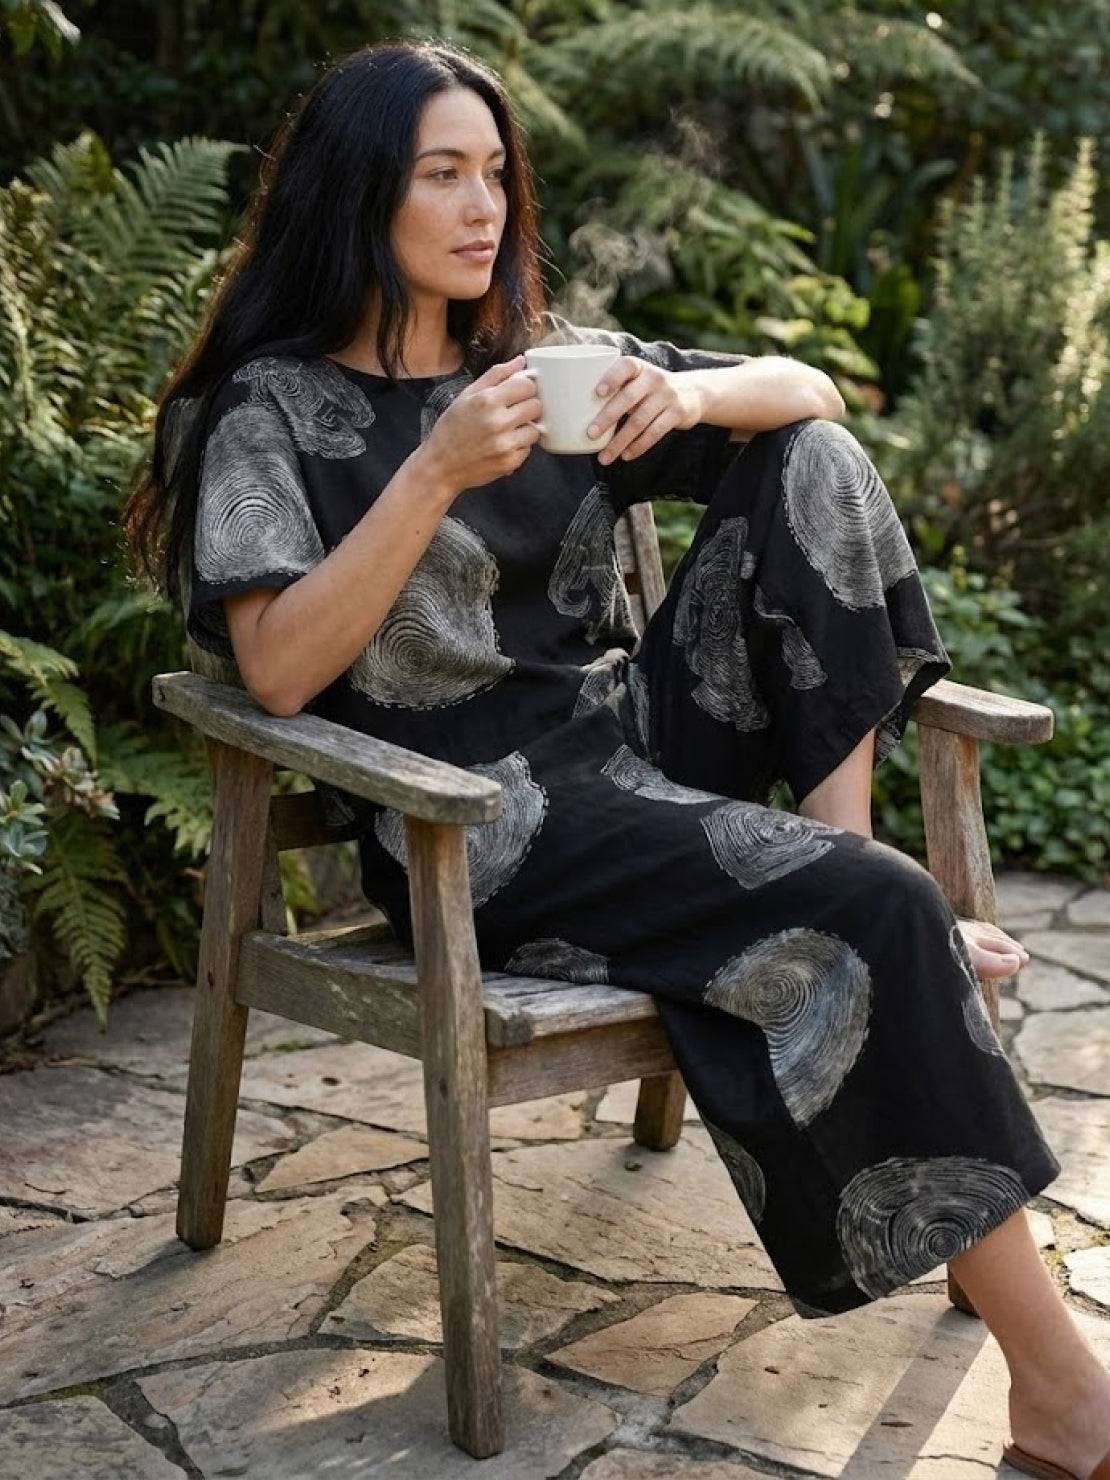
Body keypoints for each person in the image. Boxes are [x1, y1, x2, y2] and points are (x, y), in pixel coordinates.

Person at [122, 38, 1110, 1479]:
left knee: (806, 456)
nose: (483, 206)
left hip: (629, 745)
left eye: (494, 172)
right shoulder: (265, 410)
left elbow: (817, 392)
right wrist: (434, 470)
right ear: (358, 195)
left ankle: (843, 857)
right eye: (442, 174)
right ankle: (1063, 1398)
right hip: (475, 821)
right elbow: (275, 669)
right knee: (886, 914)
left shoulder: (542, 369)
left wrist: (691, 401)